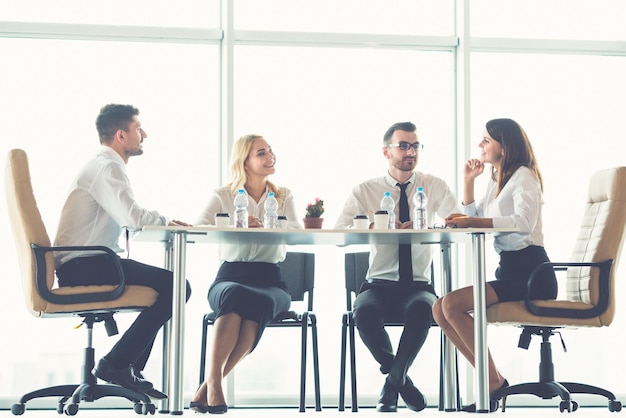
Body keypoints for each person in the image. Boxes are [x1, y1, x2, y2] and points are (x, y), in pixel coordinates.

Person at [53, 104, 192, 398]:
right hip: (86, 265)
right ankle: (118, 363)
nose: (145, 134)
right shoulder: (108, 166)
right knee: (177, 286)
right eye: (138, 128)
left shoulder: (104, 165)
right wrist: (166, 220)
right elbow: (133, 217)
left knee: (171, 285)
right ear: (120, 135)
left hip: (86, 263)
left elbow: (128, 216)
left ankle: (125, 365)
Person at [432, 118, 558, 412]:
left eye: (487, 140)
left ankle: (493, 384)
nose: (481, 145)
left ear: (505, 145)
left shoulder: (524, 176)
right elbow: (472, 215)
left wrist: (474, 221)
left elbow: (523, 224)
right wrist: (468, 182)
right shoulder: (498, 177)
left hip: (532, 273)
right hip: (511, 270)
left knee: (451, 305)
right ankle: (494, 381)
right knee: (439, 309)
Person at [335, 121, 460, 413]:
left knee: (423, 309)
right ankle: (401, 381)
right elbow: (340, 231)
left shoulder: (433, 186)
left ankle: (391, 386)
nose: (410, 152)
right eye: (403, 145)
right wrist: (380, 225)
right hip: (378, 282)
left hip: (419, 284)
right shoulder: (366, 190)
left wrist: (431, 226)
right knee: (363, 311)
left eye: (415, 146)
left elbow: (456, 221)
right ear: (386, 151)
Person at [191, 134, 300, 414]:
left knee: (258, 301)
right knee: (236, 295)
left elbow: (298, 234)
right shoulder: (223, 196)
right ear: (245, 162)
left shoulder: (283, 196)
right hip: (230, 275)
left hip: (271, 279)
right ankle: (215, 385)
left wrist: (268, 227)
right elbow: (199, 228)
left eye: (270, 151)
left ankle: (209, 385)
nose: (270, 156)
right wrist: (236, 224)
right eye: (261, 153)